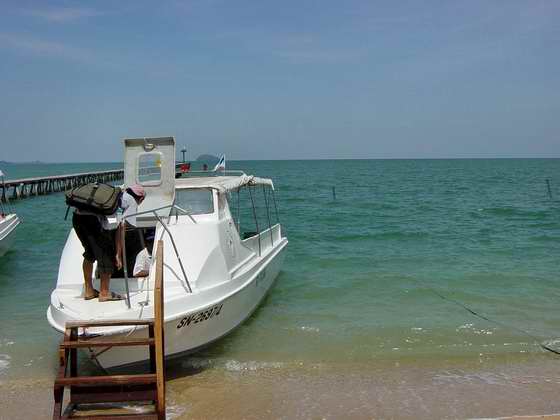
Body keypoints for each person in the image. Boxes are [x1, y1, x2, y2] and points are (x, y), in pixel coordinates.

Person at [73, 207, 118, 301]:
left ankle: (89, 291)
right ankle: (104, 293)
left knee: (90, 253)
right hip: (93, 219)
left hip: (77, 217)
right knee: (106, 253)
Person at [115, 184, 146, 275]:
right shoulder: (132, 202)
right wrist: (119, 254)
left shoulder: (121, 196)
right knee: (137, 242)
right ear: (141, 199)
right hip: (121, 237)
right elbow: (122, 226)